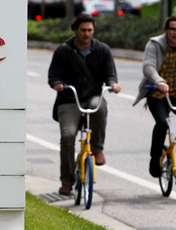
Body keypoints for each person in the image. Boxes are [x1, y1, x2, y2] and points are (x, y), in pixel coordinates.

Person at [48, 13, 121, 196]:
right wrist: (57, 84)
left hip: (92, 97)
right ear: (75, 30)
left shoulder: (102, 50)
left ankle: (97, 149)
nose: (86, 34)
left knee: (100, 106)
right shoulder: (63, 51)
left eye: (90, 30)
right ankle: (67, 181)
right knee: (67, 136)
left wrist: (113, 84)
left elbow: (110, 74)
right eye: (83, 30)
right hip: (68, 100)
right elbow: (53, 76)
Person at [133, 15, 176, 178]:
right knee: (162, 123)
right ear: (166, 29)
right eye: (172, 29)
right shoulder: (154, 44)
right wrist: (159, 81)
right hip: (157, 94)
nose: (175, 33)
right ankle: (154, 159)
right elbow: (148, 67)